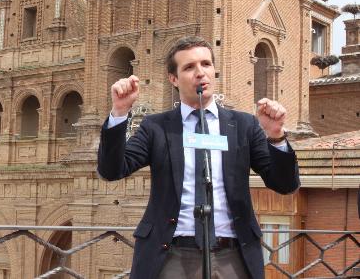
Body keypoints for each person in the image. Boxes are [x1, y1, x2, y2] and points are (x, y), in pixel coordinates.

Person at [97, 36, 300, 279]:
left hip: (233, 255)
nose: (200, 73)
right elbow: (111, 170)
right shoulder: (157, 127)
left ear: (214, 71)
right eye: (189, 67)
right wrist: (119, 113)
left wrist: (276, 136)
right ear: (173, 79)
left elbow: (285, 185)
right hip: (171, 254)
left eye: (206, 64)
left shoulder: (244, 125)